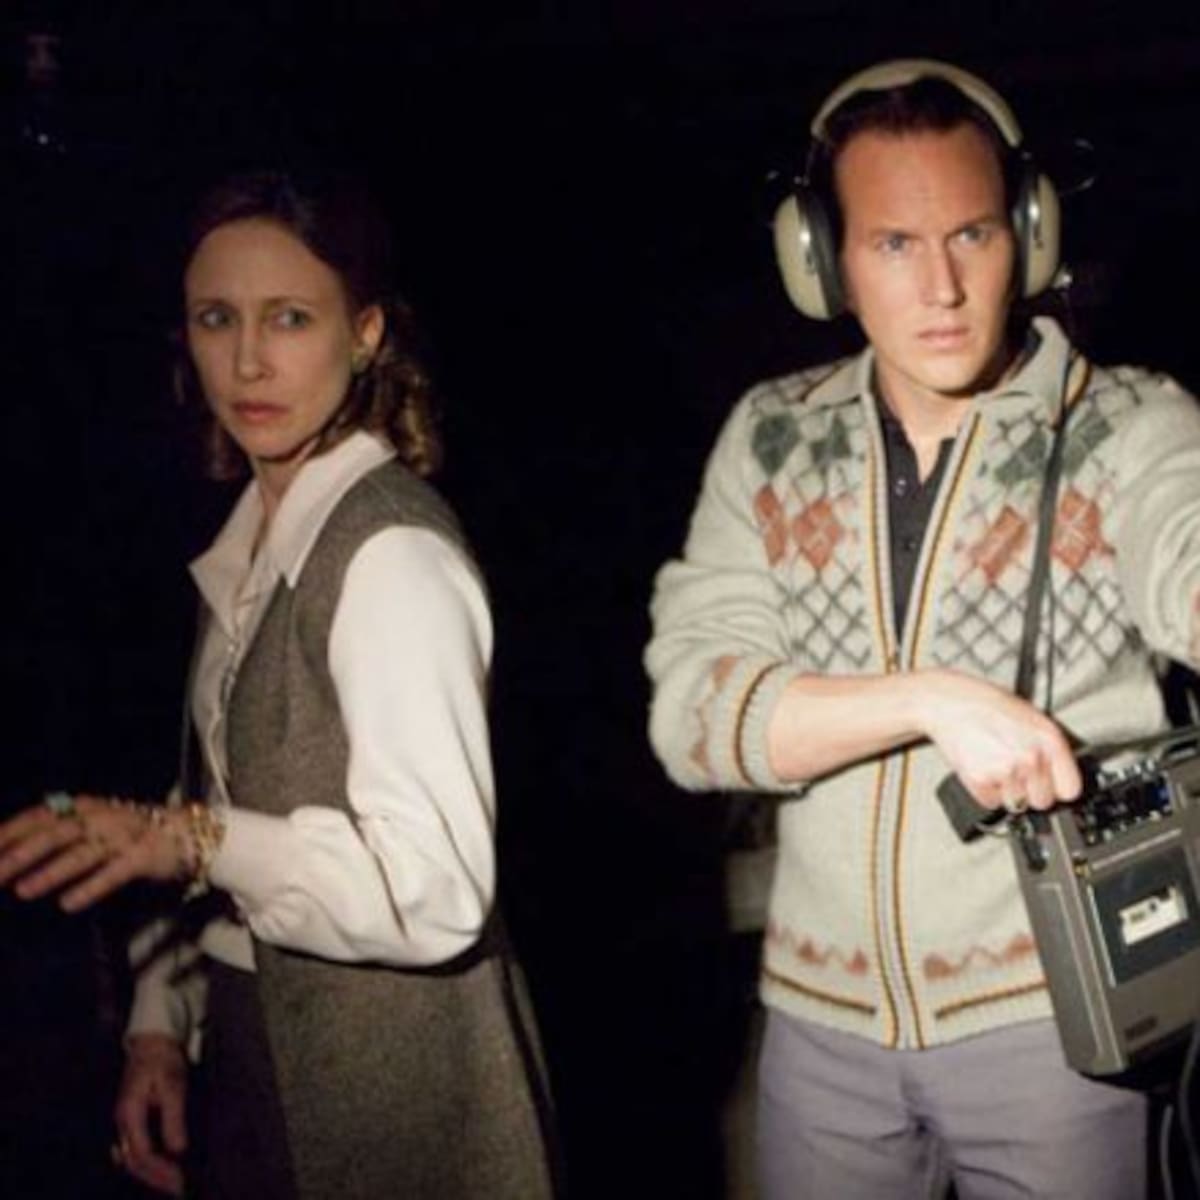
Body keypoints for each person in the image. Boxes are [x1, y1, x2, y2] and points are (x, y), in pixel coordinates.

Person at [645, 58, 1200, 1200]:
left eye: (973, 236)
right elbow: (693, 717)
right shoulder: (769, 434)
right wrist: (930, 699)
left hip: (1057, 1030)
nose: (941, 286)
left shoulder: (1136, 423)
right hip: (818, 1040)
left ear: (1028, 239)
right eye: (894, 243)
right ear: (824, 259)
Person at [0, 169, 556, 1200]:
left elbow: (435, 890)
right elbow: (209, 807)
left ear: (366, 333)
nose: (249, 360)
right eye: (217, 318)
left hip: (399, 1095)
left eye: (291, 318)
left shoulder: (389, 556)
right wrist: (161, 1025)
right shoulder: (248, 546)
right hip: (254, 1061)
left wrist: (191, 841)